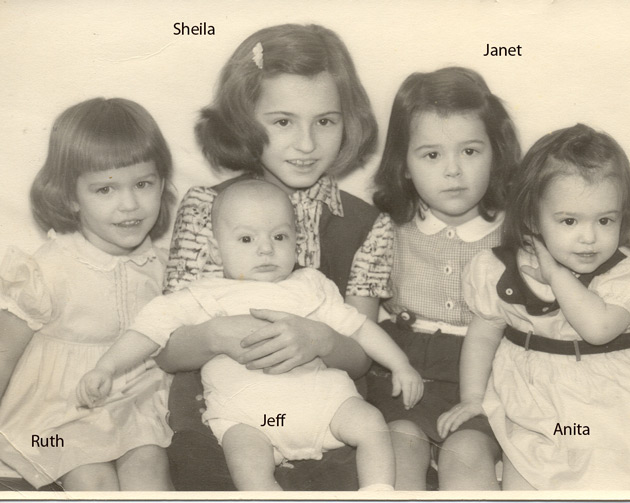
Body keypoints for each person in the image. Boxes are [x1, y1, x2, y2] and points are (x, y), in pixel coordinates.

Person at [155, 24, 391, 490]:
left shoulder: (367, 223)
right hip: (223, 421)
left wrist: (322, 339)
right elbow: (166, 349)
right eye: (283, 121)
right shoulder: (205, 207)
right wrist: (215, 334)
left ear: (349, 121)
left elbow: (362, 356)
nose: (306, 144)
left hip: (329, 417)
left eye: (325, 121)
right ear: (243, 119)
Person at [77, 180, 422, 491]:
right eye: (246, 239)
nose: (266, 249)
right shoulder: (202, 294)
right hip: (249, 419)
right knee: (243, 457)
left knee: (372, 425)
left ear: (296, 242)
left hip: (326, 406)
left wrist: (400, 364)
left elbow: (359, 327)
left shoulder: (310, 285)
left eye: (279, 236)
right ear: (216, 251)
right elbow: (147, 331)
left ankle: (377, 492)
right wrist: (106, 368)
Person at [457, 124, 630, 490]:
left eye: (605, 220)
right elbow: (482, 335)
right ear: (532, 218)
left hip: (609, 406)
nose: (589, 237)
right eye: (569, 221)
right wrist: (473, 398)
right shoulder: (499, 271)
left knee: (620, 479)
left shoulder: (626, 277)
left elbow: (601, 329)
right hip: (533, 405)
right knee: (526, 477)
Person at [0, 98, 176, 490]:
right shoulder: (47, 269)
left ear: (162, 184)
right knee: (93, 480)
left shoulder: (163, 265)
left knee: (149, 471)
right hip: (59, 412)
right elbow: (3, 353)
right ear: (70, 197)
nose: (129, 204)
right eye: (105, 189)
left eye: (143, 184)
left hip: (135, 401)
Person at [368, 67, 521, 490]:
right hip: (406, 372)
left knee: (468, 455)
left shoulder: (515, 235)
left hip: (485, 375)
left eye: (470, 151)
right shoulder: (388, 230)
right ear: (404, 165)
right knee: (398, 448)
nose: (453, 170)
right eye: (431, 155)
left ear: (496, 154)